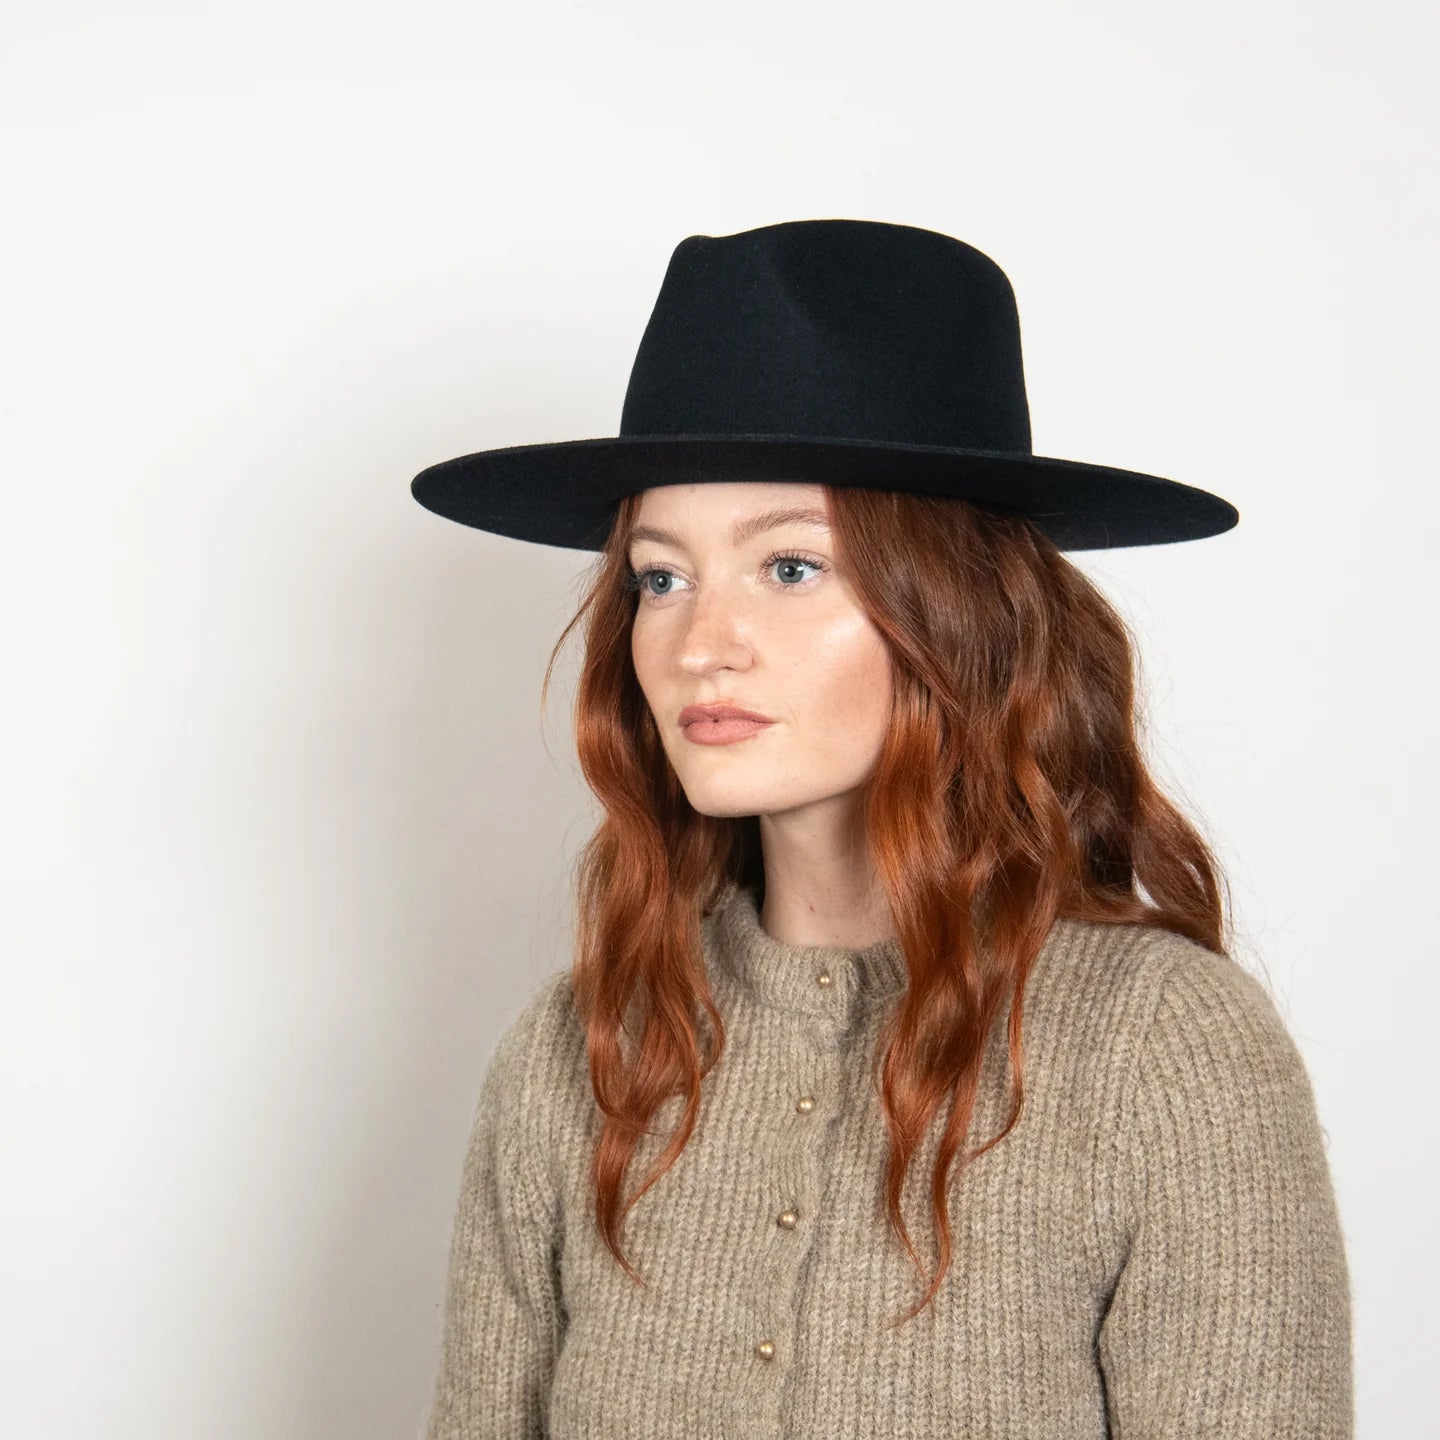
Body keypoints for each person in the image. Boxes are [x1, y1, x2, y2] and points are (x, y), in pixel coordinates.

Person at [410, 220, 1354, 1438]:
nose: (700, 643)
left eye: (790, 568)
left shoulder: (1158, 1051)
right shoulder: (582, 1051)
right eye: (659, 576)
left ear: (961, 613)